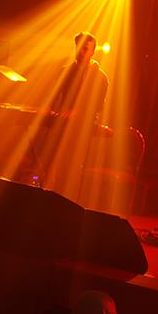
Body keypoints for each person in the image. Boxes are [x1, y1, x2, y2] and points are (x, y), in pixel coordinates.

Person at [41, 32, 109, 198]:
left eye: (85, 49)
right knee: (50, 163)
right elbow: (53, 95)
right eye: (79, 48)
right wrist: (48, 108)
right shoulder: (66, 71)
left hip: (82, 129)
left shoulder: (100, 77)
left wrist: (77, 112)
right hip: (62, 124)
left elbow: (98, 106)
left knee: (70, 168)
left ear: (93, 52)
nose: (81, 52)